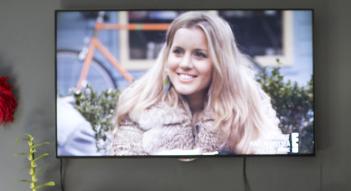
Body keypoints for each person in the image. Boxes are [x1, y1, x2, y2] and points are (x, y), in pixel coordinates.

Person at [111, 11, 284, 156]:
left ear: (221, 62)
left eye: (199, 54)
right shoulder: (139, 102)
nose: (185, 64)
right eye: (178, 52)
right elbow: (125, 171)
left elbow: (272, 157)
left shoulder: (246, 101)